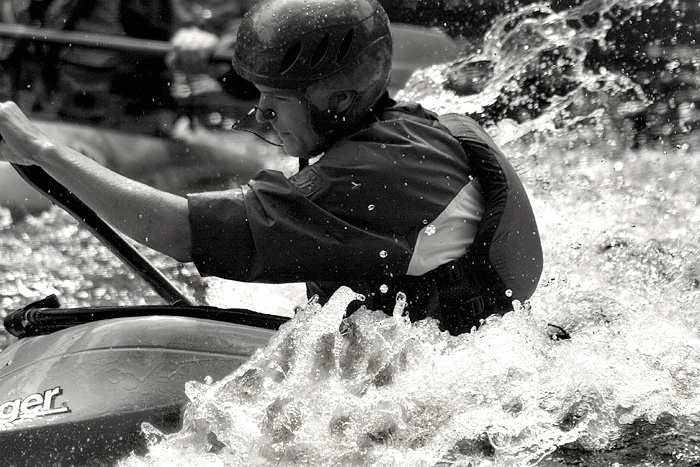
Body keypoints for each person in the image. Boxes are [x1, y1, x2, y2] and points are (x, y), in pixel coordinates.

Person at [0, 0, 543, 335]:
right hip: (445, 345)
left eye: (273, 102)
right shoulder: (387, 125)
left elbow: (179, 232)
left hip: (449, 379)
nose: (258, 116)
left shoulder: (366, 175)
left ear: (337, 98)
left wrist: (45, 152)